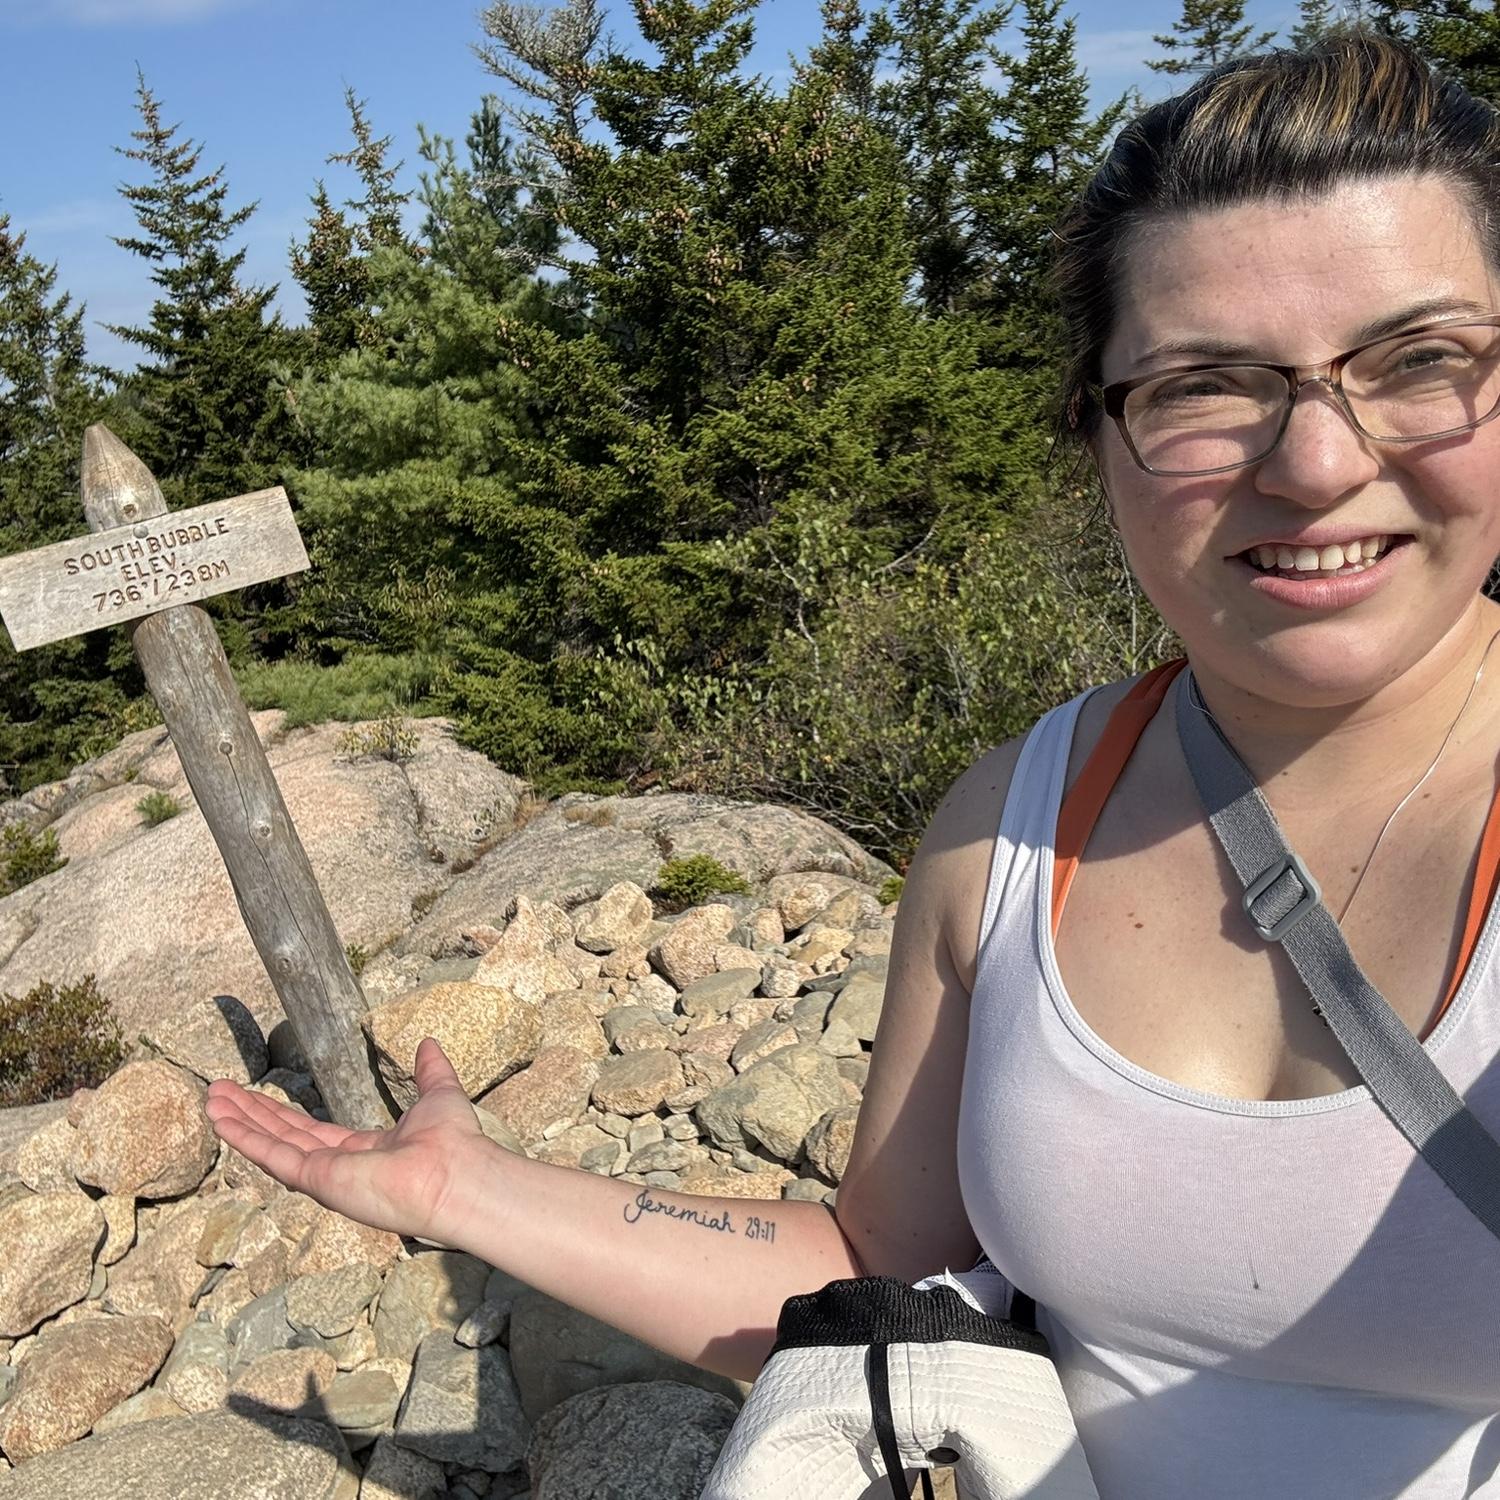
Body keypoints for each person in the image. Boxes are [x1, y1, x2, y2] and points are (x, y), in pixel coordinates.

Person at [206, 28, 1500, 1494]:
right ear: (1098, 437)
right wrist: (474, 1191)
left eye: (1421, 360)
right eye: (1206, 383)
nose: (1318, 463)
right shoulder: (1010, 830)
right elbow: (876, 1266)